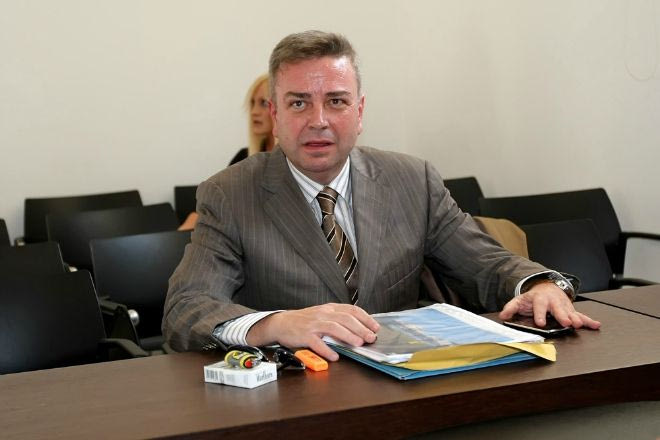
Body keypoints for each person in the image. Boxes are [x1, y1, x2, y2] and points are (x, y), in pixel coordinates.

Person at [164, 31, 600, 358]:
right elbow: (186, 309)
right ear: (275, 116)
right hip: (295, 394)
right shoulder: (230, 193)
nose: (318, 120)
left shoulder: (412, 180)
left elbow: (484, 263)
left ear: (360, 112)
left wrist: (539, 284)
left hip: (404, 386)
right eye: (299, 103)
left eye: (336, 101)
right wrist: (275, 325)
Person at [178, 74, 276, 231]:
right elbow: (216, 202)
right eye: (252, 103)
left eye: (263, 103)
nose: (254, 112)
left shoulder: (295, 161)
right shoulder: (244, 157)